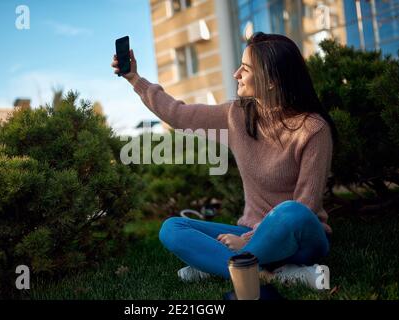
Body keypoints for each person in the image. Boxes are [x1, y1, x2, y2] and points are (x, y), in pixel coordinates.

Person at [111, 32, 338, 289]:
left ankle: (218, 264)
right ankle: (272, 276)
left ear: (272, 80)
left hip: (300, 239)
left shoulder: (313, 129)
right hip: (250, 236)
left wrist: (248, 241)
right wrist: (135, 79)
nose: (236, 74)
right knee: (172, 228)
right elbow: (179, 115)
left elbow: (306, 205)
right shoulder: (237, 116)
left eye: (246, 69)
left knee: (291, 211)